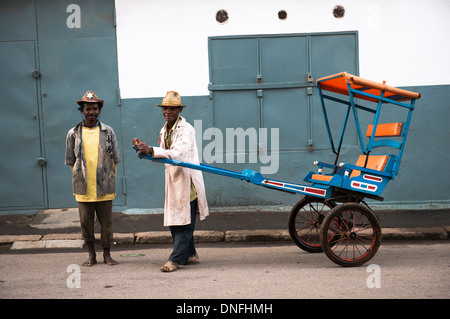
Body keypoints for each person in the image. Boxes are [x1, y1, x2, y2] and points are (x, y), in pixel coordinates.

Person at [134, 91, 209, 272]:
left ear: (179, 110)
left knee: (184, 222)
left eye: (172, 108)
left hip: (187, 180)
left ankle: (175, 259)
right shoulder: (164, 129)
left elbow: (177, 153)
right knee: (176, 220)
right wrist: (146, 148)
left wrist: (152, 150)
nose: (168, 111)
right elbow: (164, 150)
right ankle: (191, 254)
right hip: (173, 179)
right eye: (165, 108)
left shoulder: (187, 130)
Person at [65, 90, 122, 267]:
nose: (92, 112)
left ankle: (107, 254)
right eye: (88, 108)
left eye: (95, 108)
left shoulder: (108, 132)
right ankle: (91, 255)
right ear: (82, 110)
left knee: (106, 224)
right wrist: (79, 178)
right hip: (83, 189)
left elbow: (116, 159)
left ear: (100, 110)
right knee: (86, 223)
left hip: (105, 188)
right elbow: (70, 160)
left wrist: (109, 179)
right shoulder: (73, 133)